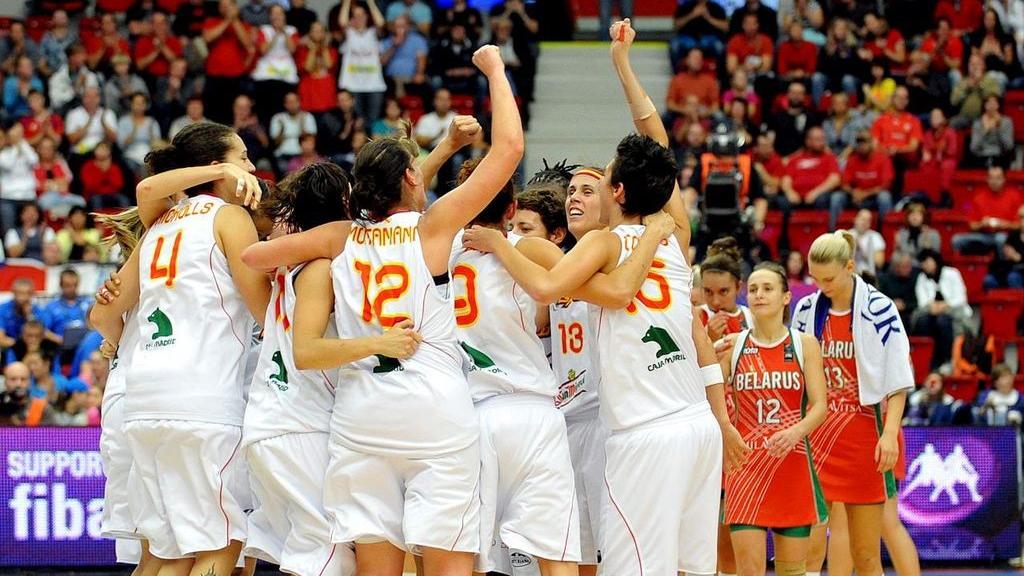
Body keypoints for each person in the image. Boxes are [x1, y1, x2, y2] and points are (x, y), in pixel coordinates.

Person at [459, 22, 744, 576]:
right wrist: (620, 62)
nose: (577, 195)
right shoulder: (649, 236)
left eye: (592, 186)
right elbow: (656, 146)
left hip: (634, 427)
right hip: (625, 420)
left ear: (615, 195)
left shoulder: (607, 245)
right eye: (572, 190)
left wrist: (497, 241)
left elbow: (585, 287)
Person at [240, 45, 519, 576]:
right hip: (434, 413)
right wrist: (496, 71)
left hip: (361, 417)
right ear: (412, 180)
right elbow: (507, 149)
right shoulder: (432, 228)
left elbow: (254, 255)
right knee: (448, 564)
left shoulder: (340, 238)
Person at [90, 120, 270, 576]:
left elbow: (105, 312)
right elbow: (265, 312)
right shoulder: (230, 217)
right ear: (216, 168)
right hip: (202, 400)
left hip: (144, 399)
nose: (250, 167)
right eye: (242, 158)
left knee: (166, 552)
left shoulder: (159, 224)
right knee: (221, 543)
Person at [241, 163, 356, 576]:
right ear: (345, 201)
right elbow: (308, 351)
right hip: (299, 425)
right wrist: (378, 345)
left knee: (301, 557)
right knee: (328, 556)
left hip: (269, 423)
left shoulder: (289, 265)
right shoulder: (321, 266)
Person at [794, 230, 913, 576]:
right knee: (810, 551)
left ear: (849, 267)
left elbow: (897, 379)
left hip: (864, 438)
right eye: (815, 279)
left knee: (866, 554)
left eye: (829, 278)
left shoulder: (879, 309)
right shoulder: (805, 309)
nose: (821, 286)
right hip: (816, 440)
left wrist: (890, 434)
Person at [719, 261, 828, 576]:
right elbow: (706, 394)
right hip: (745, 468)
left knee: (792, 572)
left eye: (767, 289)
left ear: (785, 297)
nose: (758, 295)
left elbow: (820, 406)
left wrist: (796, 432)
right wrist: (725, 429)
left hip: (790, 466)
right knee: (748, 571)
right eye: (752, 289)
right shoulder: (734, 344)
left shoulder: (804, 344)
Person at [92, 206, 147, 568]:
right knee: (161, 546)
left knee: (150, 550)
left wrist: (114, 341)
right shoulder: (148, 270)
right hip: (143, 396)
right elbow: (101, 317)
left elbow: (102, 319)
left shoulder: (129, 275)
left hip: (127, 393)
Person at [913, 249, 971, 371]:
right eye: (923, 263)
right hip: (931, 312)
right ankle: (927, 361)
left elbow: (961, 297)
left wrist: (945, 305)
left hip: (953, 311)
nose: (926, 265)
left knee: (943, 322)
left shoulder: (952, 273)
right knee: (922, 322)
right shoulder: (922, 278)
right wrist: (932, 306)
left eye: (928, 261)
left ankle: (947, 359)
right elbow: (922, 301)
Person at [202, 0, 256, 124]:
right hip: (214, 75)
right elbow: (207, 38)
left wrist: (234, 21)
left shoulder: (244, 25)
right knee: (212, 114)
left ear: (234, 7)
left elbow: (247, 43)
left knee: (232, 116)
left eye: (228, 5)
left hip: (235, 76)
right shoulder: (211, 22)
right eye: (222, 5)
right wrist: (227, 21)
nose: (224, 8)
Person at [952, 165, 1024, 254]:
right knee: (956, 240)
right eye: (991, 178)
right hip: (984, 235)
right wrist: (982, 224)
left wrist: (1005, 225)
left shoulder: (1014, 197)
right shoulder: (978, 198)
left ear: (1004, 179)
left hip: (1006, 235)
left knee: (1000, 239)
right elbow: (972, 225)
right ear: (987, 179)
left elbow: (1020, 225)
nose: (994, 182)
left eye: (998, 178)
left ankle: (1004, 266)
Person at [779, 127, 842, 228]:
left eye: (823, 139)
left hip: (818, 196)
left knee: (823, 199)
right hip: (796, 196)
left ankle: (821, 234)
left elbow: (835, 179)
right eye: (818, 140)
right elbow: (786, 180)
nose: (822, 143)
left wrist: (815, 192)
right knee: (782, 201)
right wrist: (790, 192)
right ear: (808, 141)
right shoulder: (796, 159)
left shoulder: (829, 158)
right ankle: (786, 238)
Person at [336, 0, 387, 123]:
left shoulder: (373, 33)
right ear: (351, 18)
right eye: (355, 15)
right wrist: (347, 2)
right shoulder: (349, 34)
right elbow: (342, 22)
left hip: (374, 84)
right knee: (357, 122)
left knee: (373, 121)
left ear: (367, 16)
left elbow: (381, 22)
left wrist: (370, 3)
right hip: (352, 84)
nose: (359, 18)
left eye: (362, 15)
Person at [252, 4, 300, 126]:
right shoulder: (264, 29)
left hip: (286, 77)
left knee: (283, 112)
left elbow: (292, 49)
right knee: (266, 112)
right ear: (270, 16)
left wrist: (283, 31)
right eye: (274, 13)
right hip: (266, 77)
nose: (277, 16)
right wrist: (275, 34)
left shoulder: (292, 30)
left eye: (280, 13)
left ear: (284, 15)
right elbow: (263, 50)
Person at [699, 237, 753, 342]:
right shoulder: (694, 318)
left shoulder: (754, 319)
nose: (716, 301)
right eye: (708, 291)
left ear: (738, 287)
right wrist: (707, 340)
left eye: (723, 291)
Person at [837, 133, 893, 228]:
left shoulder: (882, 159)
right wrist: (853, 192)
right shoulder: (852, 160)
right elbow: (844, 184)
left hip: (873, 197)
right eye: (859, 143)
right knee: (837, 197)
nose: (862, 146)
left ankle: (884, 233)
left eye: (865, 143)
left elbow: (886, 185)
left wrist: (865, 194)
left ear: (871, 143)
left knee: (884, 197)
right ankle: (834, 234)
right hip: (855, 197)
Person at [0, 122, 41, 235]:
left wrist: (22, 143)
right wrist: (16, 147)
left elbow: (35, 161)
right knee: (9, 232)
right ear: (8, 135)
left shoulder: (25, 149)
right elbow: (9, 165)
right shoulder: (3, 153)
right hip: (8, 197)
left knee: (31, 231)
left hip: (28, 196)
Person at [296, 21, 339, 114]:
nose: (318, 33)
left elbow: (329, 65)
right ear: (309, 33)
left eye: (320, 31)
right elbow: (307, 68)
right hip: (309, 95)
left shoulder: (332, 50)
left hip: (326, 94)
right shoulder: (302, 51)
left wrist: (324, 47)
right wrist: (312, 50)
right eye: (315, 31)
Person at [270, 92, 317, 175]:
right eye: (289, 102)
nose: (292, 105)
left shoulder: (307, 117)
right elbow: (275, 143)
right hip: (284, 155)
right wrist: (282, 129)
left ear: (299, 102)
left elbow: (310, 141)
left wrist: (302, 125)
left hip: (302, 155)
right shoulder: (278, 118)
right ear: (285, 104)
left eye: (294, 102)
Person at [118, 92, 162, 177]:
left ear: (145, 106)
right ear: (131, 104)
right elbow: (121, 145)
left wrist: (151, 135)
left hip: (148, 154)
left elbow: (157, 145)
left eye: (142, 103)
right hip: (130, 155)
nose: (139, 106)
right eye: (137, 103)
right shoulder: (123, 121)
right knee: (134, 166)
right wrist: (134, 130)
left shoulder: (151, 122)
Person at [968, 94, 1015, 168]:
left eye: (994, 103)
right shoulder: (977, 123)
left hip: (1001, 157)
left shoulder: (1006, 122)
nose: (991, 106)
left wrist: (999, 127)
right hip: (981, 157)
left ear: (998, 105)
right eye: (988, 103)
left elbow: (1009, 147)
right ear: (984, 105)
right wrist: (985, 131)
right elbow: (973, 148)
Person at [79, 142, 129, 210]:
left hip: (112, 194)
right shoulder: (88, 166)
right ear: (95, 151)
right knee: (97, 201)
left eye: (105, 149)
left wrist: (107, 170)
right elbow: (89, 186)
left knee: (123, 200)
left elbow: (119, 185)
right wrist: (104, 171)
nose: (102, 151)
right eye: (100, 149)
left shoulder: (114, 167)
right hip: (94, 195)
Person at [985, 205, 1024, 289]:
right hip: (1009, 270)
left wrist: (1019, 258)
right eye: (1021, 218)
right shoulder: (1013, 235)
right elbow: (1005, 257)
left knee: (1013, 277)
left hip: (1020, 273)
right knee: (989, 280)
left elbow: (1016, 258)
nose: (1022, 221)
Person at [878, 251, 920, 328]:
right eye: (905, 267)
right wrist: (892, 304)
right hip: (888, 312)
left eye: (909, 266)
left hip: (909, 313)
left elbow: (918, 301)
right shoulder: (884, 280)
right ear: (896, 267)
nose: (909, 269)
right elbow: (879, 300)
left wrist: (905, 305)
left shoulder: (916, 277)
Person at [849, 209, 886, 278]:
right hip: (850, 275)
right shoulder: (848, 235)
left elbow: (880, 263)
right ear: (855, 220)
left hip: (869, 275)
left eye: (868, 220)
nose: (865, 223)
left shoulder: (875, 236)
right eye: (862, 219)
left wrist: (861, 249)